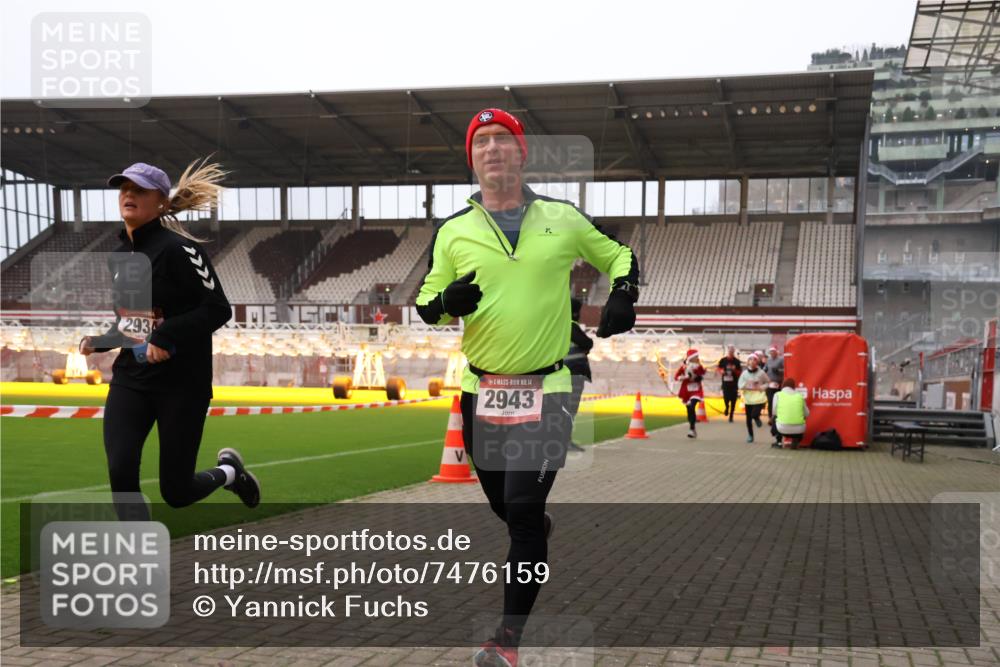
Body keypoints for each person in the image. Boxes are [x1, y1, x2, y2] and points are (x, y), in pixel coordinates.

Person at [414, 108, 639, 666]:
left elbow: (620, 256)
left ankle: (506, 642)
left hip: (550, 387)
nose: (492, 149)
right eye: (481, 142)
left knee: (518, 508)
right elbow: (425, 304)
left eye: (502, 140)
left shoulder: (562, 218)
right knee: (507, 507)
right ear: (472, 158)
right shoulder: (453, 231)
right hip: (480, 388)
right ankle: (534, 525)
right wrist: (446, 304)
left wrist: (623, 293)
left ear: (521, 153)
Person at [80, 160, 260, 520]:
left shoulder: (181, 249)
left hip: (182, 384)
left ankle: (229, 474)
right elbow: (134, 325)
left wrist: (166, 335)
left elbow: (218, 309)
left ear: (161, 202)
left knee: (177, 492)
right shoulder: (120, 258)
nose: (128, 194)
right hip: (132, 379)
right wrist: (101, 341)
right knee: (121, 470)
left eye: (140, 190)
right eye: (124, 188)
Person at [564, 297, 593, 452]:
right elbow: (587, 343)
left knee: (567, 409)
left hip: (568, 373)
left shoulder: (560, 325)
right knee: (570, 409)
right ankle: (565, 442)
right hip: (573, 372)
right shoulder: (570, 325)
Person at [663, 349, 705, 439]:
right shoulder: (684, 367)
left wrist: (699, 377)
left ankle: (691, 428)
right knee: (689, 409)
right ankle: (692, 426)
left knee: (692, 405)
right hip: (686, 390)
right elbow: (676, 377)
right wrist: (685, 377)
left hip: (696, 390)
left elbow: (702, 373)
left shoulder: (699, 366)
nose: (698, 358)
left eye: (697, 357)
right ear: (691, 357)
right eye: (696, 357)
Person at [770, 377, 809, 448]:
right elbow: (807, 413)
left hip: (781, 428)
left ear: (783, 385)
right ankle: (795, 440)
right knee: (802, 417)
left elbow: (774, 412)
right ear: (794, 386)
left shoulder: (777, 395)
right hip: (799, 430)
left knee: (774, 417)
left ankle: (779, 442)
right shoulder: (799, 396)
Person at [737, 353, 769, 443]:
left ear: (757, 362)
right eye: (750, 360)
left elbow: (768, 382)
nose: (752, 362)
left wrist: (761, 387)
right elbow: (739, 385)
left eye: (754, 360)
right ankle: (750, 435)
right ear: (747, 362)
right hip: (748, 399)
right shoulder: (744, 374)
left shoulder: (761, 373)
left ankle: (757, 418)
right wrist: (747, 384)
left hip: (759, 398)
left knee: (754, 415)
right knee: (748, 419)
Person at [716, 345, 742, 422]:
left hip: (734, 383)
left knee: (733, 399)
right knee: (726, 398)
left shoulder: (736, 361)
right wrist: (721, 371)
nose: (731, 352)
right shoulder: (723, 360)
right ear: (728, 351)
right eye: (729, 351)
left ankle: (731, 415)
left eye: (732, 351)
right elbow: (718, 368)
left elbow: (739, 372)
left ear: (733, 352)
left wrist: (734, 370)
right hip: (725, 383)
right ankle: (727, 407)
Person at [764, 346, 785, 420]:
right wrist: (765, 370)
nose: (772, 353)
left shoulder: (781, 359)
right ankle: (770, 417)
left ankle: (777, 416)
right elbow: (765, 369)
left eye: (773, 351)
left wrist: (778, 370)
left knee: (777, 401)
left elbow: (785, 369)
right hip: (770, 383)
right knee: (770, 400)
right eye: (771, 352)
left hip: (778, 383)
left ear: (776, 352)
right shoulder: (768, 360)